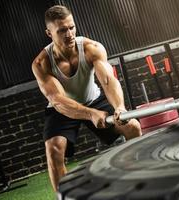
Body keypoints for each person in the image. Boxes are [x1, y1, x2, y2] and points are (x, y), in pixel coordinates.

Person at [31, 5, 142, 192]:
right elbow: (57, 99)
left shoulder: (91, 48)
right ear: (49, 33)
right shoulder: (42, 63)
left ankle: (137, 177)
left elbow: (108, 80)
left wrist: (120, 107)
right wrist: (90, 114)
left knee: (132, 126)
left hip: (93, 99)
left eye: (71, 27)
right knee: (54, 149)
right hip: (63, 108)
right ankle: (64, 197)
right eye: (62, 30)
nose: (69, 34)